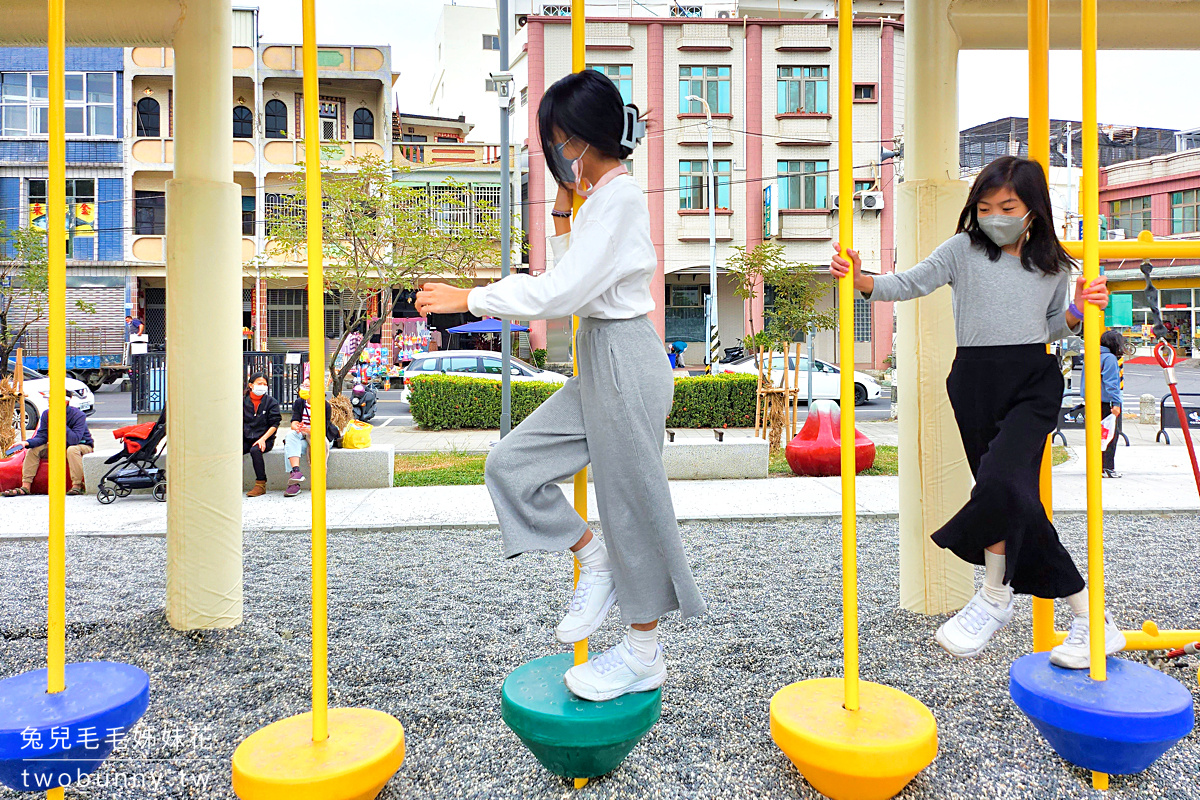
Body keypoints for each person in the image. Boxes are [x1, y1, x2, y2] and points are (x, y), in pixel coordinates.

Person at [415, 68, 705, 701]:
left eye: (555, 140)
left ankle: (641, 653)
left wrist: (468, 296)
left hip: (627, 356)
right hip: (600, 357)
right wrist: (563, 204)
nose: (552, 154)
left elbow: (563, 291)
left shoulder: (622, 198)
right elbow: (570, 272)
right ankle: (591, 556)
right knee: (510, 464)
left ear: (578, 137)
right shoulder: (596, 201)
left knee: (631, 508)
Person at [831, 155, 1120, 670]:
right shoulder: (963, 251)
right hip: (974, 381)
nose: (994, 215)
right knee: (1002, 492)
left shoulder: (1055, 264)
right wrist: (863, 281)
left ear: (1032, 208)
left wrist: (1078, 313)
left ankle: (995, 595)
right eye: (985, 207)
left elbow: (1053, 325)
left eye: (1007, 205)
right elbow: (910, 283)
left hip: (1033, 379)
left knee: (1002, 486)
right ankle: (1087, 617)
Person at [3, 390, 93, 497]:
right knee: (34, 450)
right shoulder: (47, 414)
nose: (49, 402)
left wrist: (59, 421)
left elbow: (74, 440)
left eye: (52, 399)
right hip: (58, 446)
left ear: (65, 402)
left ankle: (77, 485)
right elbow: (42, 437)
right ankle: (25, 486)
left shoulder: (78, 415)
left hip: (80, 445)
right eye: (49, 399)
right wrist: (26, 443)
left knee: (72, 450)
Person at [283, 378, 339, 498]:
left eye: (308, 386)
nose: (304, 388)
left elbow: (322, 429)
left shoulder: (324, 405)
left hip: (319, 436)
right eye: (303, 385)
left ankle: (316, 481)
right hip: (303, 435)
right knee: (290, 437)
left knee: (314, 445)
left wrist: (309, 430)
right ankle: (295, 473)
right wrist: (297, 427)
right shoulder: (299, 402)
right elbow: (294, 421)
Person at [1083, 330, 1125, 479]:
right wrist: (1116, 403)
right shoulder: (1110, 359)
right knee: (1110, 435)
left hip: (1092, 400)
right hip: (1107, 402)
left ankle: (1096, 465)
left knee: (1096, 435)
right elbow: (1112, 383)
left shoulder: (1092, 356)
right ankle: (1108, 467)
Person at [243, 373, 282, 497]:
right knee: (233, 450)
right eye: (260, 383)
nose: (263, 386)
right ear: (251, 385)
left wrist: (263, 439)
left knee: (255, 450)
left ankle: (260, 484)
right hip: (245, 437)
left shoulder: (271, 402)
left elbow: (275, 423)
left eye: (265, 384)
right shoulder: (242, 401)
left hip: (265, 439)